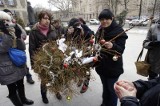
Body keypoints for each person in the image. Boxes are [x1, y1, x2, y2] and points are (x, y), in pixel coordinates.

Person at [95, 9, 128, 106]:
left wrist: (112, 46)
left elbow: (121, 50)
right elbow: (96, 45)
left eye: (107, 19)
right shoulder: (100, 30)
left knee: (112, 90)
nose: (104, 21)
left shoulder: (119, 32)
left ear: (112, 18)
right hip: (101, 66)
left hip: (113, 67)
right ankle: (105, 103)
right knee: (105, 87)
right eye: (102, 19)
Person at [0, 11, 34, 106]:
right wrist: (7, 35)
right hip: (5, 66)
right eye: (3, 21)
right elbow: (3, 49)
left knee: (20, 83)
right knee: (12, 89)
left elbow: (22, 47)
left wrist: (18, 37)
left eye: (7, 20)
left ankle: (23, 99)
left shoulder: (11, 30)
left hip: (17, 62)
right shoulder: (4, 33)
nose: (6, 23)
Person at [29, 11, 60, 104]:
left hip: (54, 59)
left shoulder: (53, 29)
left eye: (49, 18)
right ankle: (44, 95)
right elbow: (31, 49)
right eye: (45, 18)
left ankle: (56, 91)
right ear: (40, 19)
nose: (47, 20)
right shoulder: (34, 32)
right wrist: (34, 65)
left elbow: (57, 42)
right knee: (44, 79)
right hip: (41, 61)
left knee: (56, 76)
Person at [3, 8, 35, 84]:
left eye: (10, 15)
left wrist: (18, 34)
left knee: (23, 65)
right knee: (13, 71)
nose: (9, 17)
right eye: (7, 15)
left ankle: (28, 76)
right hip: (8, 54)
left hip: (19, 50)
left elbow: (24, 35)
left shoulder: (16, 25)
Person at [78, 17, 94, 93]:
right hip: (78, 52)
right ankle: (80, 79)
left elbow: (91, 35)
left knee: (87, 69)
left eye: (80, 23)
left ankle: (86, 84)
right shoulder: (76, 30)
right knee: (78, 67)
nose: (79, 25)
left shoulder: (87, 29)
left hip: (86, 52)